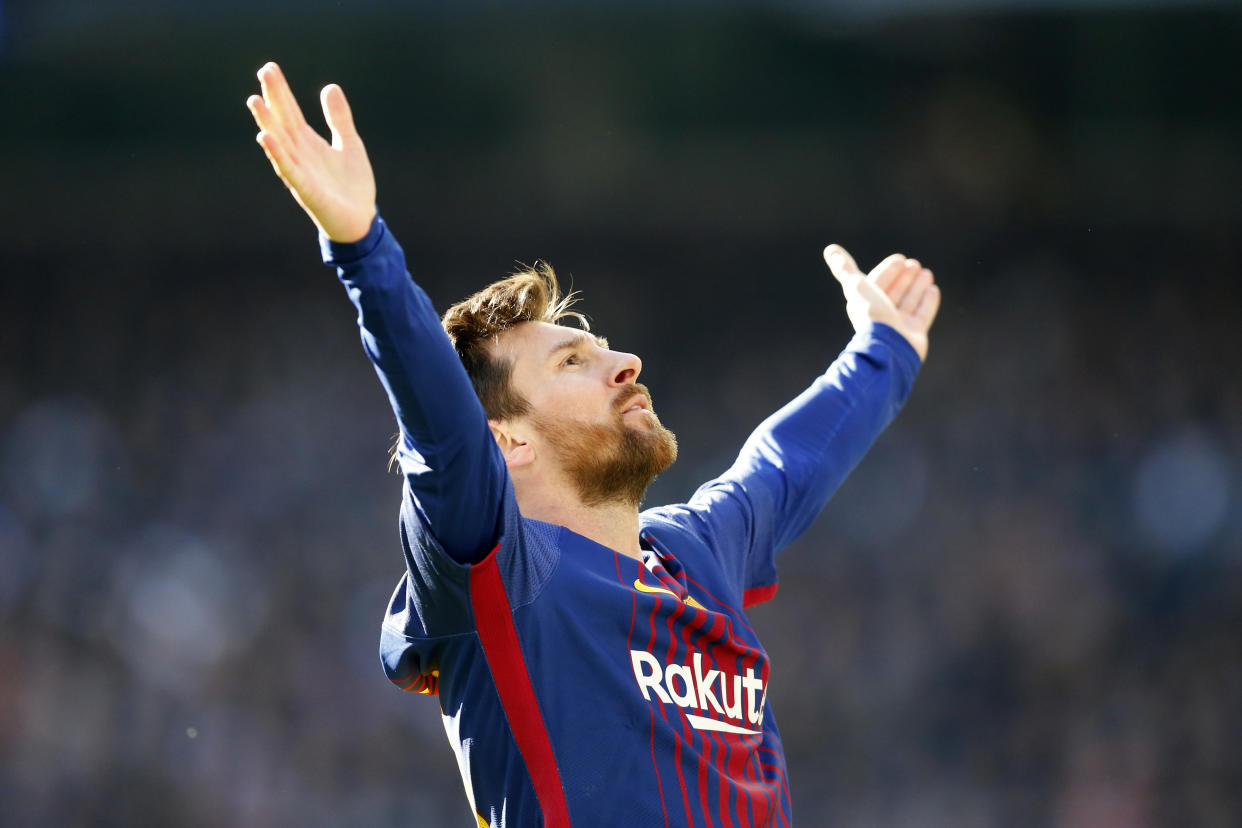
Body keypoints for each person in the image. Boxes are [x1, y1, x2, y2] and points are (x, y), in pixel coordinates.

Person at [247, 61, 940, 828]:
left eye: (603, 347)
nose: (626, 362)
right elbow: (441, 428)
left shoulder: (694, 553)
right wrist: (362, 249)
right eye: (573, 361)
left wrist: (886, 352)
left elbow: (784, 464)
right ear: (504, 439)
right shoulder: (502, 573)